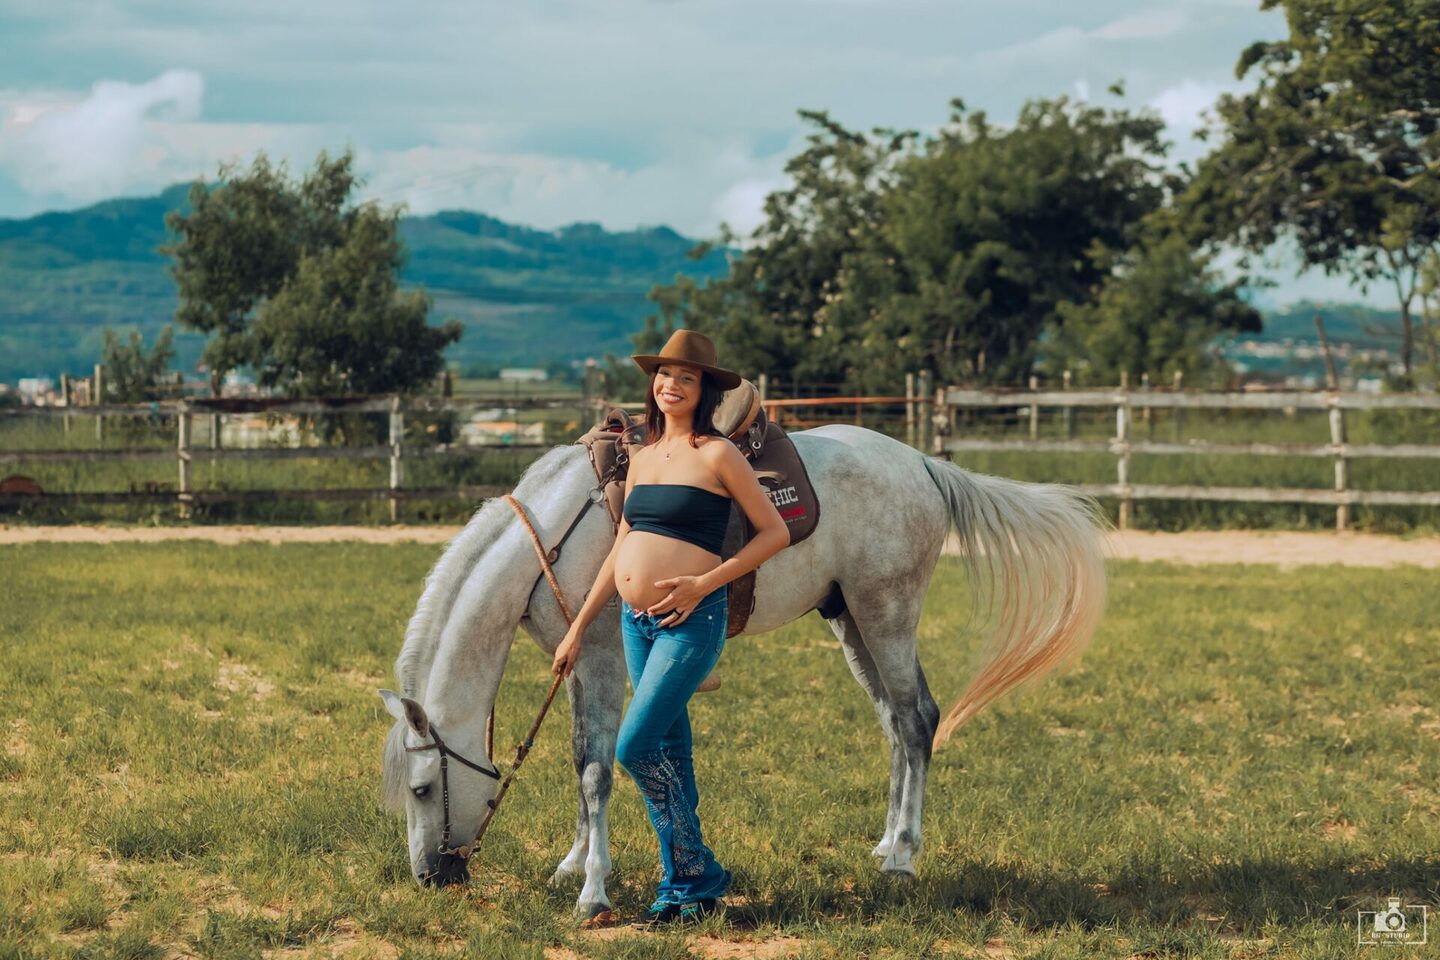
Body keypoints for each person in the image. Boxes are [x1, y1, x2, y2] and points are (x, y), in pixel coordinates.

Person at [552, 329, 790, 925]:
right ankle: (686, 890)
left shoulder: (717, 454)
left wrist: (703, 584)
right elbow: (623, 545)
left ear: (705, 389)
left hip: (691, 618)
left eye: (686, 377)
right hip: (637, 622)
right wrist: (578, 627)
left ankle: (697, 869)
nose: (671, 385)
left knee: (635, 746)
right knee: (672, 753)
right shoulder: (643, 456)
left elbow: (773, 533)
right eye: (663, 375)